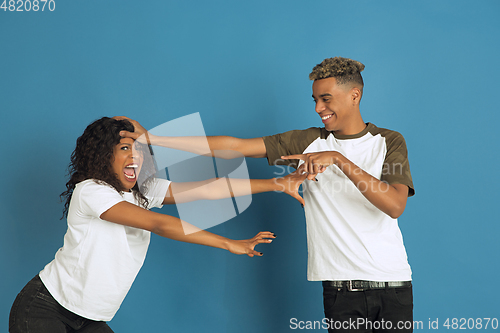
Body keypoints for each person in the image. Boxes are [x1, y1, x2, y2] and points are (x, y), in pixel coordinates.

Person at [119, 57, 415, 332]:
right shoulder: (306, 141)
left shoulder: (388, 141)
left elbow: (394, 204)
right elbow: (233, 147)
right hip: (340, 290)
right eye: (315, 100)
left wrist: (338, 159)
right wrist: (155, 140)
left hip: (394, 285)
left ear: (354, 95)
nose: (318, 108)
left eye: (326, 99)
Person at [9, 117, 306, 333]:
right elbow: (159, 224)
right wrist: (229, 243)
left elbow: (208, 189)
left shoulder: (143, 191)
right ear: (103, 154)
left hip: (89, 317)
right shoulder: (92, 190)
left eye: (137, 149)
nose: (134, 156)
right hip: (45, 308)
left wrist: (276, 183)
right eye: (125, 148)